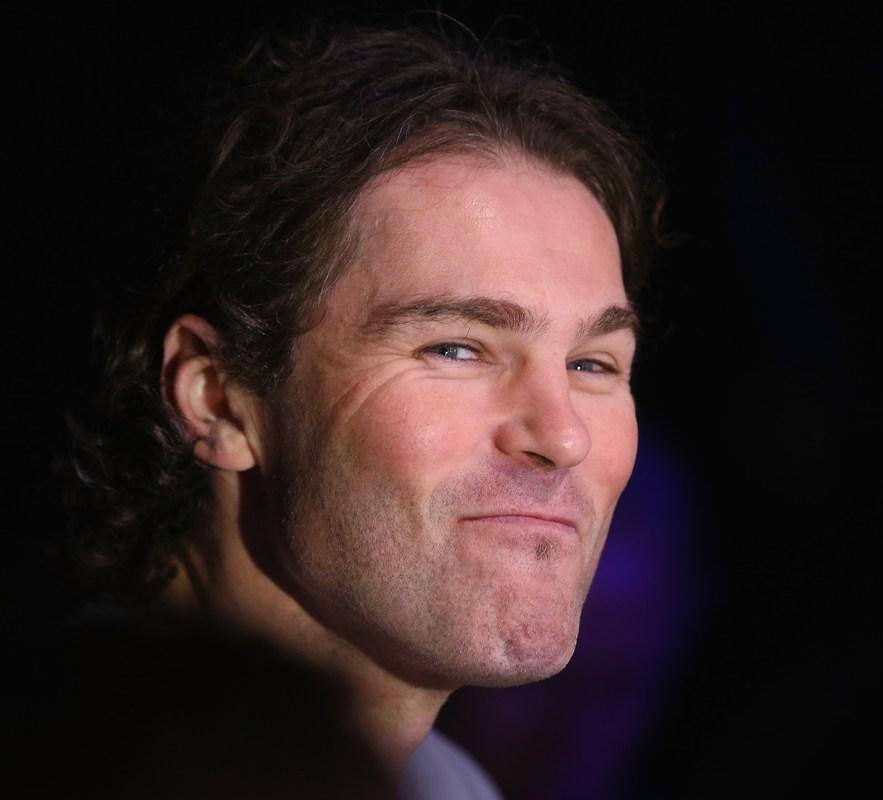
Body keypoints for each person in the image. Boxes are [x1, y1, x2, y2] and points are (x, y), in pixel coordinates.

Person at [63, 20, 659, 798]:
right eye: (457, 349)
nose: (563, 436)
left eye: (591, 364)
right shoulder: (21, 755)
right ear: (217, 397)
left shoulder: (447, 786)